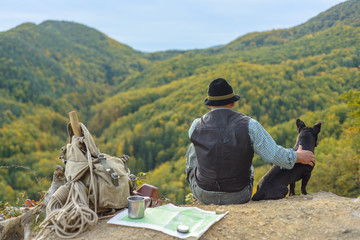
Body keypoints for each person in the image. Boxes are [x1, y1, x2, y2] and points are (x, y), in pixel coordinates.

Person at [186, 78, 315, 205]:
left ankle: (201, 191)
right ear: (233, 103)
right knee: (246, 153)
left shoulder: (195, 126)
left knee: (193, 147)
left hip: (203, 194)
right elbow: (274, 154)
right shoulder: (249, 125)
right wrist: (298, 156)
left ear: (209, 105)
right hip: (238, 195)